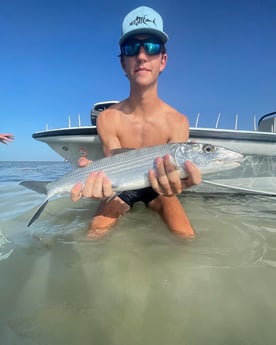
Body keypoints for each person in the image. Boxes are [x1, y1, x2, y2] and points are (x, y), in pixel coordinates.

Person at [71, 6, 202, 238]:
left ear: (163, 60)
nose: (141, 56)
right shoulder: (107, 118)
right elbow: (115, 167)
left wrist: (179, 183)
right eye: (132, 48)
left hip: (159, 189)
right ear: (123, 63)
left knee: (187, 236)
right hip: (123, 188)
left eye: (151, 46)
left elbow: (172, 181)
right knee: (93, 235)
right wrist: (93, 175)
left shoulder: (178, 122)